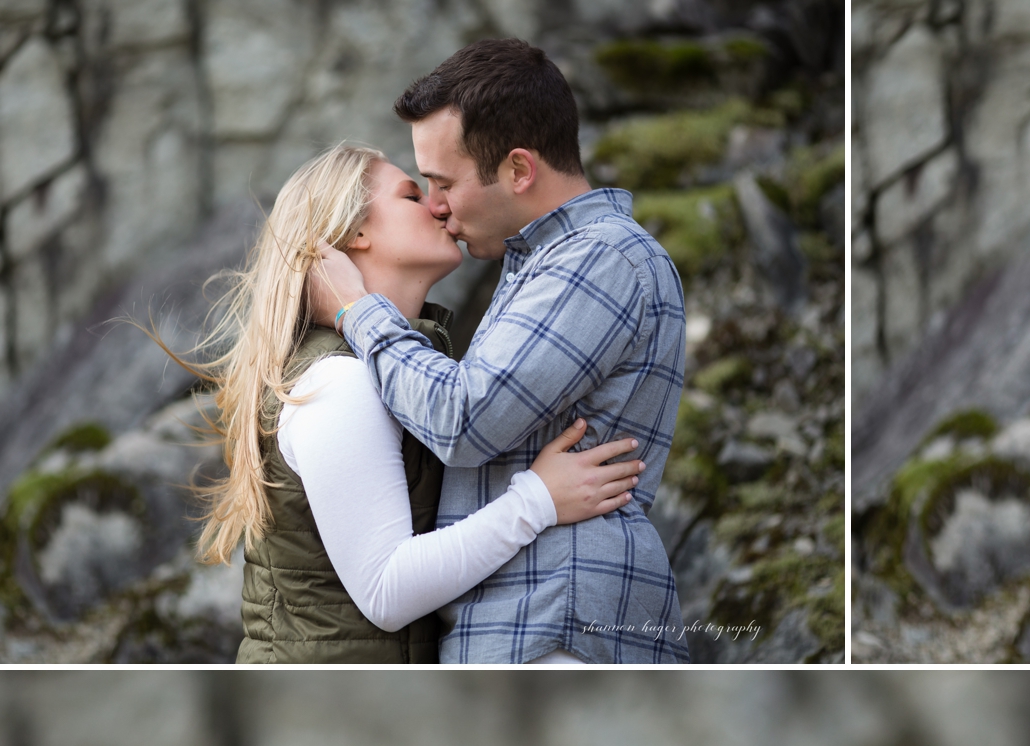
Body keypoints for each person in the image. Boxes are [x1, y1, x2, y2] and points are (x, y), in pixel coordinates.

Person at [309, 39, 688, 665]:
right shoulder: (541, 263)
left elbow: (463, 421)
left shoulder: (602, 257)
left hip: (560, 624)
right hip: (525, 618)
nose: (436, 205)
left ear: (518, 170)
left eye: (443, 182)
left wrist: (357, 313)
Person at [193, 143, 643, 664]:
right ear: (354, 233)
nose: (437, 205)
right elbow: (387, 589)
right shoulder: (340, 383)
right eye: (411, 194)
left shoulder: (389, 371)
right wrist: (536, 501)